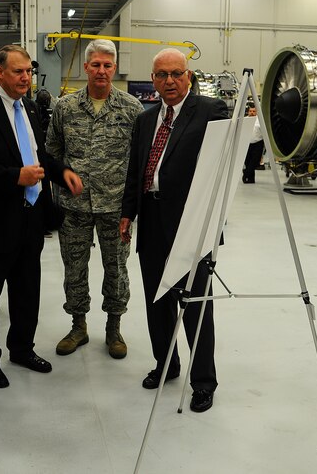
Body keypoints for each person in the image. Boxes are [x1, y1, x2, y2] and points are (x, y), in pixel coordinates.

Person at [0, 45, 83, 389]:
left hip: (31, 218)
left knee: (27, 290)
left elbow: (39, 155)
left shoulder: (28, 107)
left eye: (28, 71)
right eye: (18, 71)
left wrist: (62, 173)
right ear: (0, 73)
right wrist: (15, 176)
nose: (26, 77)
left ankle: (22, 349)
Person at [119, 48, 228, 413]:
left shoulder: (210, 111)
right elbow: (136, 171)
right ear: (152, 80)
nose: (169, 81)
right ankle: (167, 365)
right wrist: (127, 213)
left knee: (195, 304)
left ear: (189, 75)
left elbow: (231, 149)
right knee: (158, 301)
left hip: (192, 222)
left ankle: (203, 382)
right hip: (151, 219)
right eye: (162, 75)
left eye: (176, 74)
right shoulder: (145, 120)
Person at [46, 39, 142, 359]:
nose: (101, 70)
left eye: (107, 65)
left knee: (116, 269)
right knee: (74, 268)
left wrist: (132, 206)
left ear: (114, 68)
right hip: (74, 207)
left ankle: (114, 328)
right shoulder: (65, 107)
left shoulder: (131, 108)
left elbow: (140, 161)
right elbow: (53, 153)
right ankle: (78, 325)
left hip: (115, 206)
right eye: (96, 65)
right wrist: (61, 181)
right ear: (86, 67)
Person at [242, 105, 265, 184]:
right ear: (248, 112)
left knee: (255, 161)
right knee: (248, 161)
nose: (252, 113)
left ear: (257, 112)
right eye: (250, 111)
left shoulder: (260, 121)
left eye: (254, 111)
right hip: (247, 143)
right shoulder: (244, 120)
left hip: (258, 143)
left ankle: (246, 173)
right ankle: (251, 179)